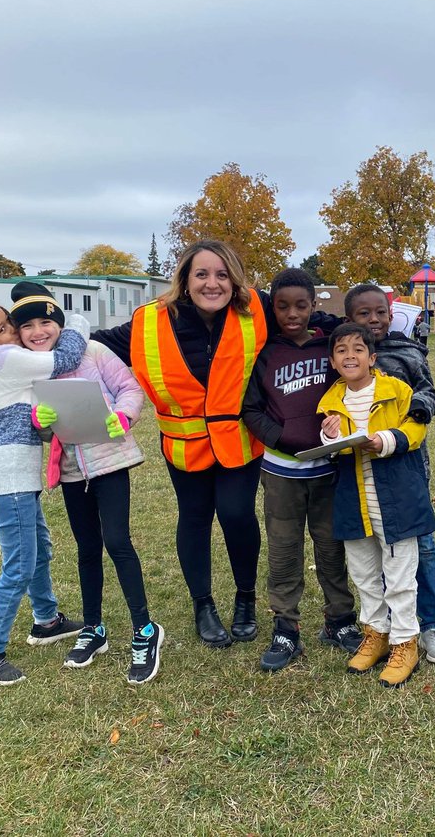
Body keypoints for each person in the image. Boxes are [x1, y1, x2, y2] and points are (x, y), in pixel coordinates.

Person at [90, 240, 337, 649]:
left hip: (238, 441)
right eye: (202, 274)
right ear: (185, 279)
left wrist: (366, 329)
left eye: (222, 274)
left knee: (238, 515)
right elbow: (96, 346)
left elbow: (307, 316)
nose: (212, 283)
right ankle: (202, 605)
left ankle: (245, 600)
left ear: (234, 279)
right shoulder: (148, 322)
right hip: (183, 445)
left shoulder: (256, 309)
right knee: (194, 519)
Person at [12, 284, 164, 685]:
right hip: (70, 472)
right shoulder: (31, 369)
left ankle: (145, 631)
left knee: (117, 541)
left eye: (46, 322)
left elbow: (130, 389)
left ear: (59, 324)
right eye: (27, 326)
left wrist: (124, 416)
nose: (38, 331)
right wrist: (40, 423)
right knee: (86, 549)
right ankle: (94, 628)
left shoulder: (93, 352)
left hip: (110, 462)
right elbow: (41, 426)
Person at [0, 295, 87, 685]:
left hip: (15, 478)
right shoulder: (3, 359)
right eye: (5, 328)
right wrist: (71, 321)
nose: (14, 332)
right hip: (7, 480)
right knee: (19, 565)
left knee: (38, 550)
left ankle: (46, 620)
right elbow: (66, 358)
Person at [241, 268, 362, 672]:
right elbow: (251, 409)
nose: (292, 313)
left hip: (328, 469)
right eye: (282, 306)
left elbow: (350, 388)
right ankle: (285, 627)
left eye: (301, 305)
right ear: (271, 307)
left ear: (314, 305)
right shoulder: (264, 352)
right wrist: (281, 438)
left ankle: (339, 619)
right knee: (284, 548)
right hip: (281, 472)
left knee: (331, 546)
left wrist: (338, 425)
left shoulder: (330, 346)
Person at [317, 323, 435, 688]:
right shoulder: (329, 401)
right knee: (365, 573)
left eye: (358, 350)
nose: (349, 356)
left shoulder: (397, 390)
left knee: (400, 576)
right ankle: (376, 634)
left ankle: (405, 642)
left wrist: (387, 440)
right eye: (341, 351)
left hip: (396, 497)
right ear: (333, 361)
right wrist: (329, 436)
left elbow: (416, 429)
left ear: (372, 358)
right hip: (353, 500)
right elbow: (326, 441)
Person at [345, 283, 435, 665]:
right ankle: (385, 626)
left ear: (391, 316)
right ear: (349, 319)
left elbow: (429, 392)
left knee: (420, 545)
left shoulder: (407, 354)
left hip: (407, 468)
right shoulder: (344, 355)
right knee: (373, 549)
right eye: (364, 314)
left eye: (381, 312)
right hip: (361, 474)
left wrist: (416, 412)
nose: (374, 320)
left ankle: (431, 624)